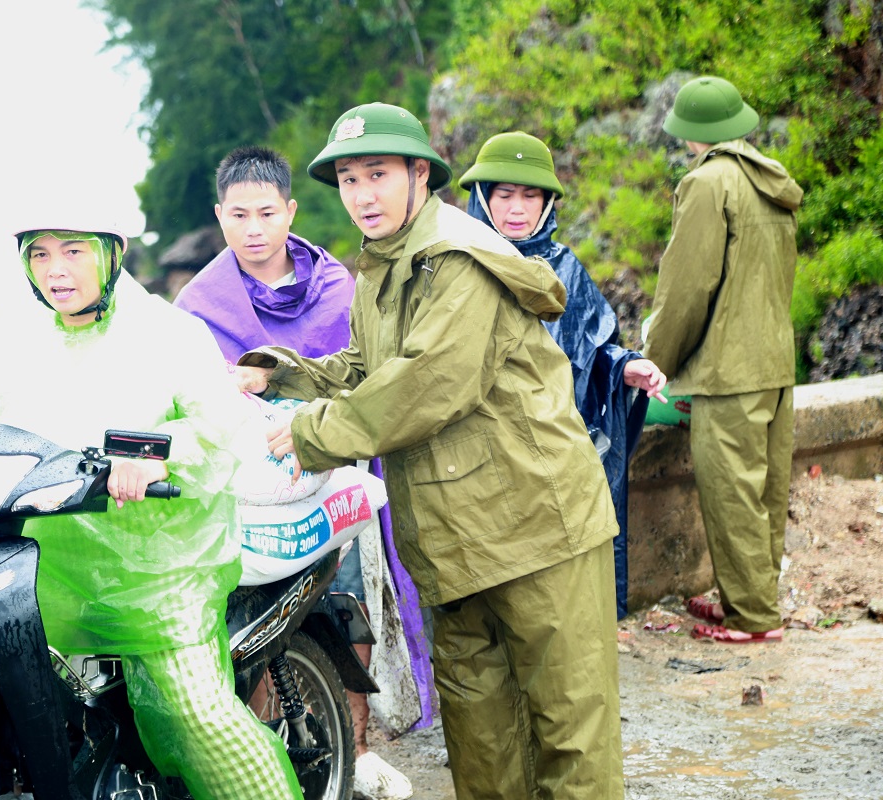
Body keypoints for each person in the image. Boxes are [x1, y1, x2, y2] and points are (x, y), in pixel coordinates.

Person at [234, 102, 625, 799]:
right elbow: (365, 368)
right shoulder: (381, 268)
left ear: (421, 174)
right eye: (348, 180)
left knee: (571, 738)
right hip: (454, 542)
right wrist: (279, 372)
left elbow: (429, 383)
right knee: (482, 747)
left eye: (377, 174)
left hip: (538, 527)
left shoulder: (457, 258)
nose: (362, 195)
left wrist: (312, 434)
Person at [0, 224, 303, 800]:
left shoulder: (170, 335)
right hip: (36, 564)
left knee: (196, 715)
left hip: (152, 573)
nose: (55, 269)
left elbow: (220, 424)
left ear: (112, 253)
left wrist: (155, 456)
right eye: (39, 254)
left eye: (73, 251)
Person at [175, 145, 423, 800]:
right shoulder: (198, 304)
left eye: (266, 213)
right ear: (219, 217)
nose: (254, 229)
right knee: (253, 617)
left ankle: (357, 747)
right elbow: (189, 397)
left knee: (346, 599)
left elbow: (368, 374)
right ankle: (263, 753)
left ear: (290, 211)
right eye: (238, 216)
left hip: (329, 472)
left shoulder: (339, 287)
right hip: (250, 488)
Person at [458, 131, 667, 619]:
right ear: (483, 198)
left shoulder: (564, 268)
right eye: (504, 195)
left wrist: (624, 366)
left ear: (547, 202)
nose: (517, 208)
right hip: (483, 454)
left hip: (554, 451)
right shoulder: (459, 265)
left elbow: (592, 346)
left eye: (530, 195)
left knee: (560, 591)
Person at [645, 76, 803, 644]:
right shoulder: (770, 178)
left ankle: (753, 619)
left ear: (689, 133)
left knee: (732, 494)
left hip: (729, 370)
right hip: (775, 362)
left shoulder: (707, 183)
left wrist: (656, 362)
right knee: (765, 493)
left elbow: (688, 287)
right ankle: (753, 601)